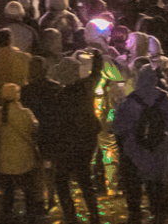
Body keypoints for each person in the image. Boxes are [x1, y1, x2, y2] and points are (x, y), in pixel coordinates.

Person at [112, 64, 168, 224]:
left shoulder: (131, 99)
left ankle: (135, 214)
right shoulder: (163, 97)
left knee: (133, 183)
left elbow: (118, 125)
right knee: (155, 182)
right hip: (158, 146)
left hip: (134, 149)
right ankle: (157, 214)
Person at [38, 56, 102, 224]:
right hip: (87, 140)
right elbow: (97, 73)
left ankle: (70, 214)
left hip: (68, 142)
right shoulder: (87, 87)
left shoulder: (60, 95)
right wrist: (97, 55)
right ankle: (94, 214)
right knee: (85, 178)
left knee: (62, 179)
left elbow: (56, 121)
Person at [0, 81, 43, 221]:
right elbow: (34, 129)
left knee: (8, 191)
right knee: (28, 189)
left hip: (5, 158)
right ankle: (30, 216)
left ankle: (7, 216)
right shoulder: (25, 113)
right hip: (24, 157)